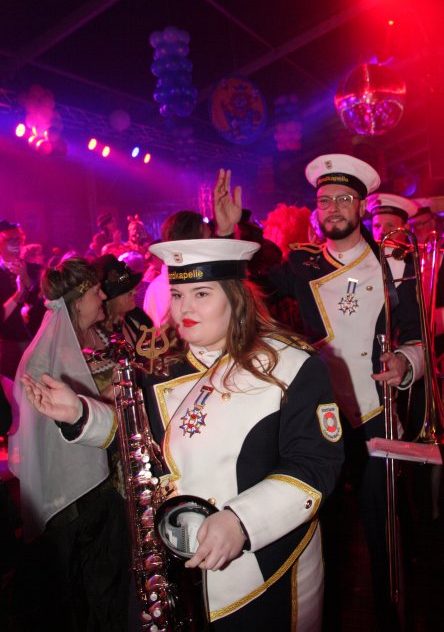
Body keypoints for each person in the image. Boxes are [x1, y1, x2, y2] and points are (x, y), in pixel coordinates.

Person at [21, 238, 344, 632]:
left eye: (201, 294)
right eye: (177, 295)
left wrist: (241, 521)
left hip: (264, 568)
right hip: (175, 568)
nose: (184, 308)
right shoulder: (162, 367)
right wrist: (80, 413)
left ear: (237, 297)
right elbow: (140, 438)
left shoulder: (291, 363)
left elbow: (315, 466)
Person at [212, 159, 424, 630]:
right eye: (325, 200)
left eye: (344, 199)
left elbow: (417, 335)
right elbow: (247, 289)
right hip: (318, 415)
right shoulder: (301, 262)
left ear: (362, 206)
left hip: (376, 411)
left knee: (385, 531)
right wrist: (227, 234)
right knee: (315, 527)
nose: (334, 207)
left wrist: (406, 362)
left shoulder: (394, 263)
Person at [8, 257, 129, 632]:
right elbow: (47, 426)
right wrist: (103, 401)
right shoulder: (45, 356)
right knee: (90, 586)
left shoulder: (101, 336)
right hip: (80, 495)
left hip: (114, 477)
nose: (104, 296)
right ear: (76, 302)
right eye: (96, 292)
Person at [0, 220, 45, 378]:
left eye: (18, 239)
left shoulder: (35, 270)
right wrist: (19, 293)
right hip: (7, 344)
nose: (16, 243)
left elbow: (41, 302)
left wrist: (25, 277)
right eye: (10, 240)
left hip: (36, 339)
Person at [94, 253, 153, 349]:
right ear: (110, 299)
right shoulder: (97, 334)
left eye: (132, 288)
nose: (135, 292)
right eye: (127, 291)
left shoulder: (139, 318)